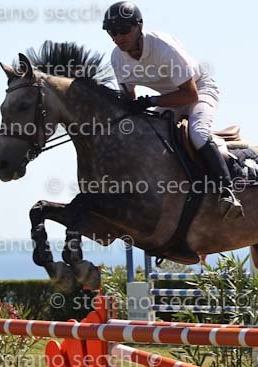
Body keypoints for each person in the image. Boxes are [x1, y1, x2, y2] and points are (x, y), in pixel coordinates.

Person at [102, 1, 244, 220]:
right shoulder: (117, 57)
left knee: (198, 133)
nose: (118, 37)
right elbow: (129, 98)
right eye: (112, 32)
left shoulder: (163, 47)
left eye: (123, 29)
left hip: (199, 90)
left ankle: (227, 191)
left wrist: (152, 100)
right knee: (147, 136)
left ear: (139, 26)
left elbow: (190, 95)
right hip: (169, 99)